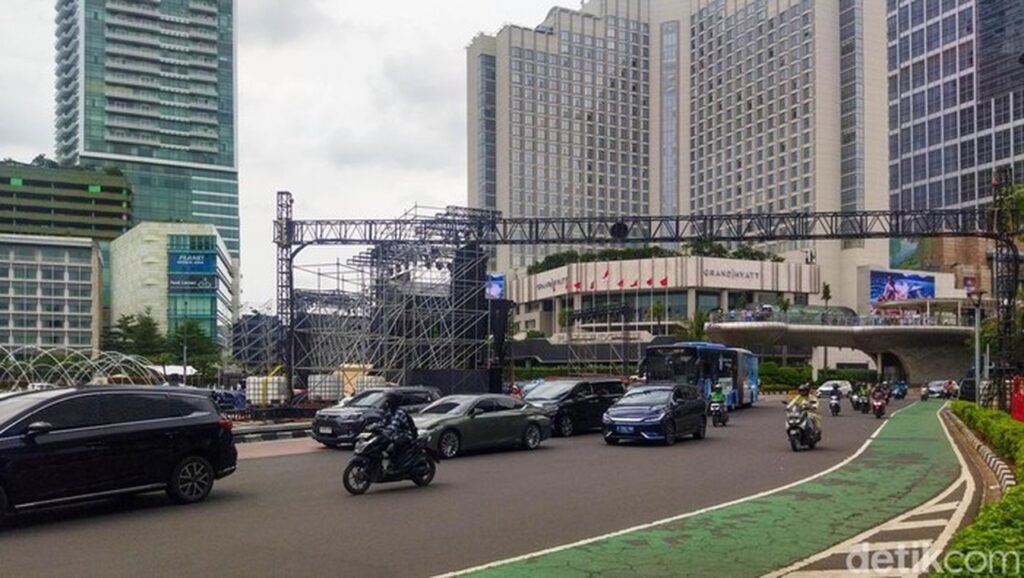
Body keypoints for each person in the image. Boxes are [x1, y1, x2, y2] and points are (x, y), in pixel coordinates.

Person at [381, 396, 418, 470]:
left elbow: (394, 426)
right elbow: (383, 422)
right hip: (394, 435)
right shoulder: (390, 412)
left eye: (389, 402)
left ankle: (396, 465)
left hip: (405, 435)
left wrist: (384, 431)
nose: (387, 404)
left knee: (397, 445)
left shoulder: (399, 413)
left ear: (393, 403)